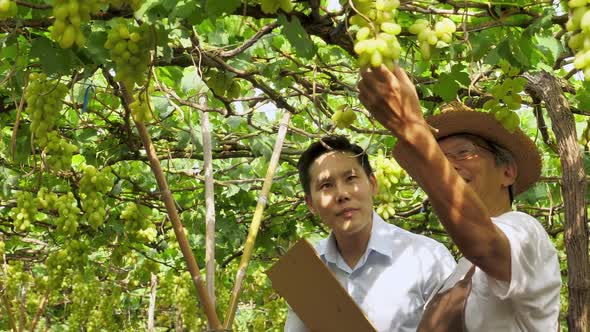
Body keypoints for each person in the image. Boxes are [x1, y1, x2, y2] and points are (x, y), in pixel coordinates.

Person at [358, 65, 561, 331]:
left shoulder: (526, 233)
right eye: (440, 159)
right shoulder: (455, 275)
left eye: (463, 152)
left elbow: (483, 244)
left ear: (507, 172)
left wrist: (412, 128)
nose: (449, 166)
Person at [284, 135, 456, 332]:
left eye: (351, 179)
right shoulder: (306, 273)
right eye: (326, 185)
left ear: (373, 184)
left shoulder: (428, 258)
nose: (342, 194)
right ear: (310, 204)